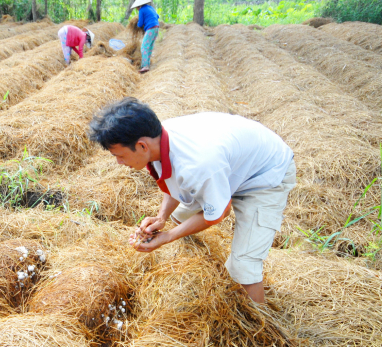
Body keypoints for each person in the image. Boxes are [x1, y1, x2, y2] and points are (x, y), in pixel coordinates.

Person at [88, 98, 296, 303]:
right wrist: (162, 218)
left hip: (264, 175)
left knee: (243, 266)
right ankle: (201, 267)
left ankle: (259, 329)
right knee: (180, 217)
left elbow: (219, 212)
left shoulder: (198, 164)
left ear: (142, 146)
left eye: (120, 155)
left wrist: (168, 237)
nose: (119, 162)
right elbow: (175, 178)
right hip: (231, 164)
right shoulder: (159, 140)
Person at [131, 0, 160, 74]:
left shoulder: (141, 10)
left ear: (138, 6)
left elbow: (140, 24)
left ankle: (145, 66)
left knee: (144, 47)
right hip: (156, 27)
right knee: (149, 46)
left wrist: (137, 24)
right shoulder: (150, 8)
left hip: (150, 28)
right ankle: (147, 64)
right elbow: (157, 16)